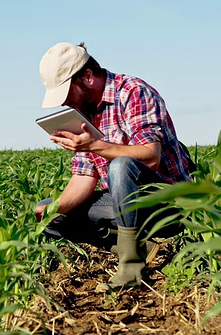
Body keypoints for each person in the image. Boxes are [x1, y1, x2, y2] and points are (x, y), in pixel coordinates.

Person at [35, 42, 192, 290]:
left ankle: (131, 267)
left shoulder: (133, 92)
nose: (65, 102)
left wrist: (95, 145)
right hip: (122, 206)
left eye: (67, 92)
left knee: (121, 166)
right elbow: (83, 179)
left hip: (168, 204)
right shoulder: (84, 111)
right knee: (48, 212)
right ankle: (137, 246)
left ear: (87, 77)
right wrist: (54, 210)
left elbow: (151, 156)